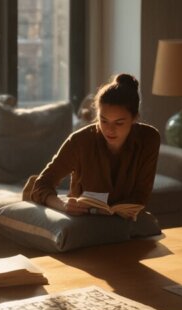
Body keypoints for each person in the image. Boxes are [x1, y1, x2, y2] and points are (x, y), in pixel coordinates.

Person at [27, 74, 161, 220]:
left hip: (125, 220)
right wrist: (64, 205)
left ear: (134, 118)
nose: (109, 130)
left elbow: (141, 194)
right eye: (103, 121)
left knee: (150, 227)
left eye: (119, 123)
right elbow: (41, 184)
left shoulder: (149, 138)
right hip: (84, 220)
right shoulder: (80, 141)